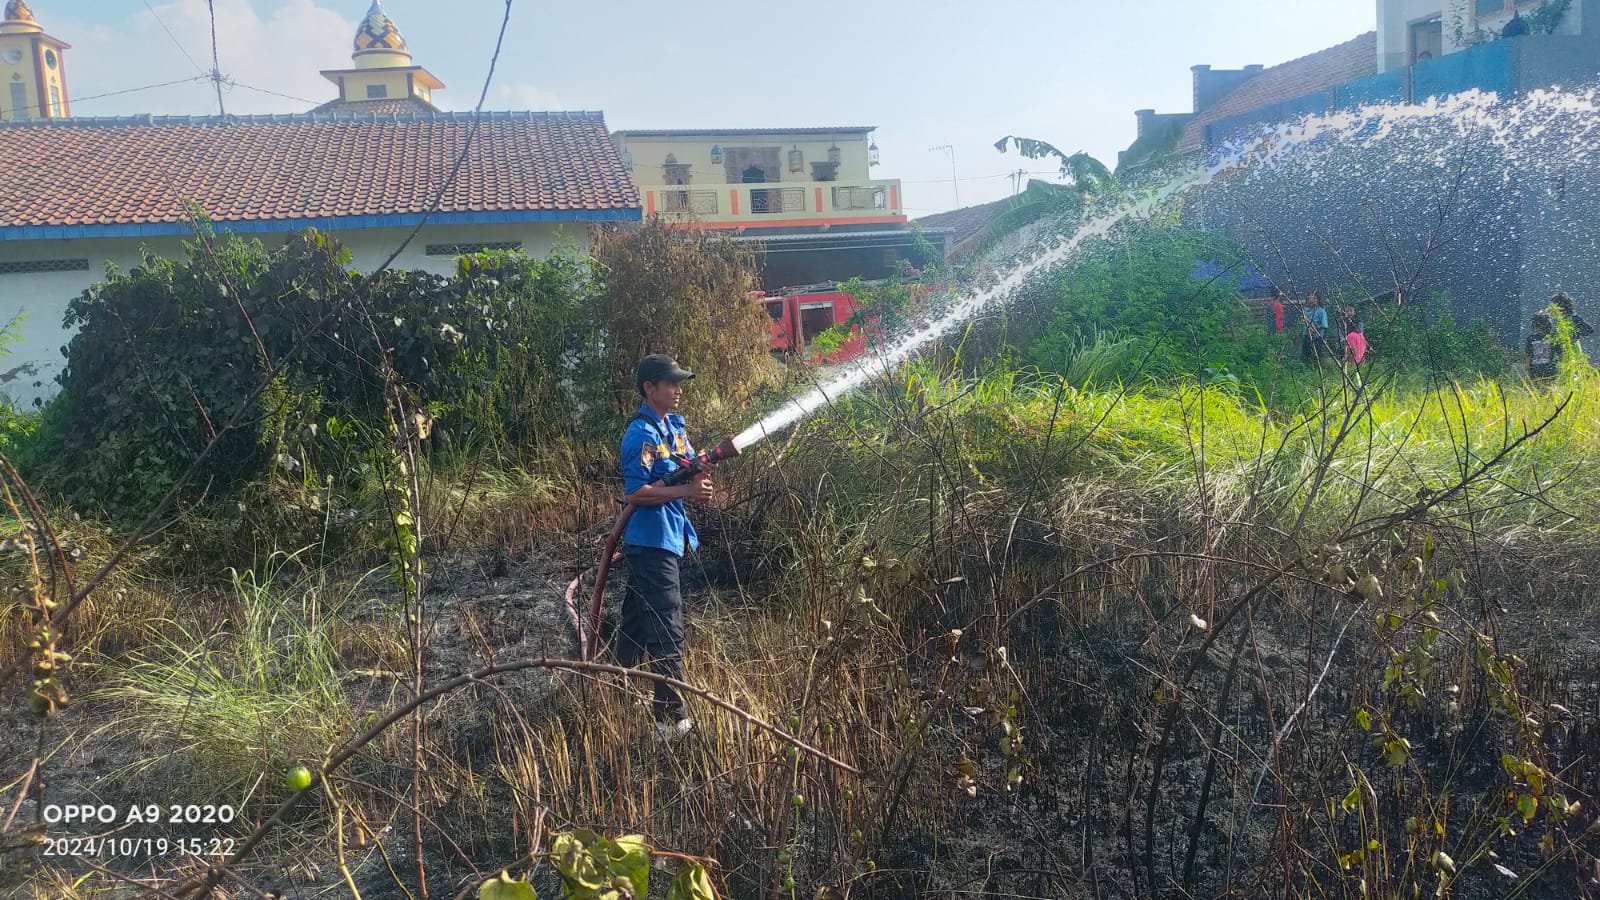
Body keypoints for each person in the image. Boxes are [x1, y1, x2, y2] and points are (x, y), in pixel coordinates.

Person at [617, 354, 715, 740]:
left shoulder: (671, 428)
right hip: (651, 542)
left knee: (637, 625)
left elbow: (686, 463)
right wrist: (688, 489)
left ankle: (608, 682)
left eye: (679, 383)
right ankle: (671, 723)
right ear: (649, 388)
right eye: (670, 383)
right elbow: (636, 493)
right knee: (666, 629)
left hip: (668, 538)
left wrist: (703, 468)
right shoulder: (641, 435)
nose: (678, 389)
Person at [1526, 312, 1559, 380]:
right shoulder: (1553, 337)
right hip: (1550, 368)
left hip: (1535, 368)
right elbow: (1559, 352)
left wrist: (1527, 367)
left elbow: (1529, 355)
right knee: (1550, 388)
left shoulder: (1531, 338)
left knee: (1536, 388)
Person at [1302, 293, 1329, 361]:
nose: (1311, 300)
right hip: (1306, 336)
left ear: (1318, 300)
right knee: (1305, 356)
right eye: (1310, 297)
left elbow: (1324, 325)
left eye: (1314, 298)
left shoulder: (1321, 311)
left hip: (1316, 337)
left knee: (1316, 357)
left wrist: (1315, 328)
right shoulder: (1305, 310)